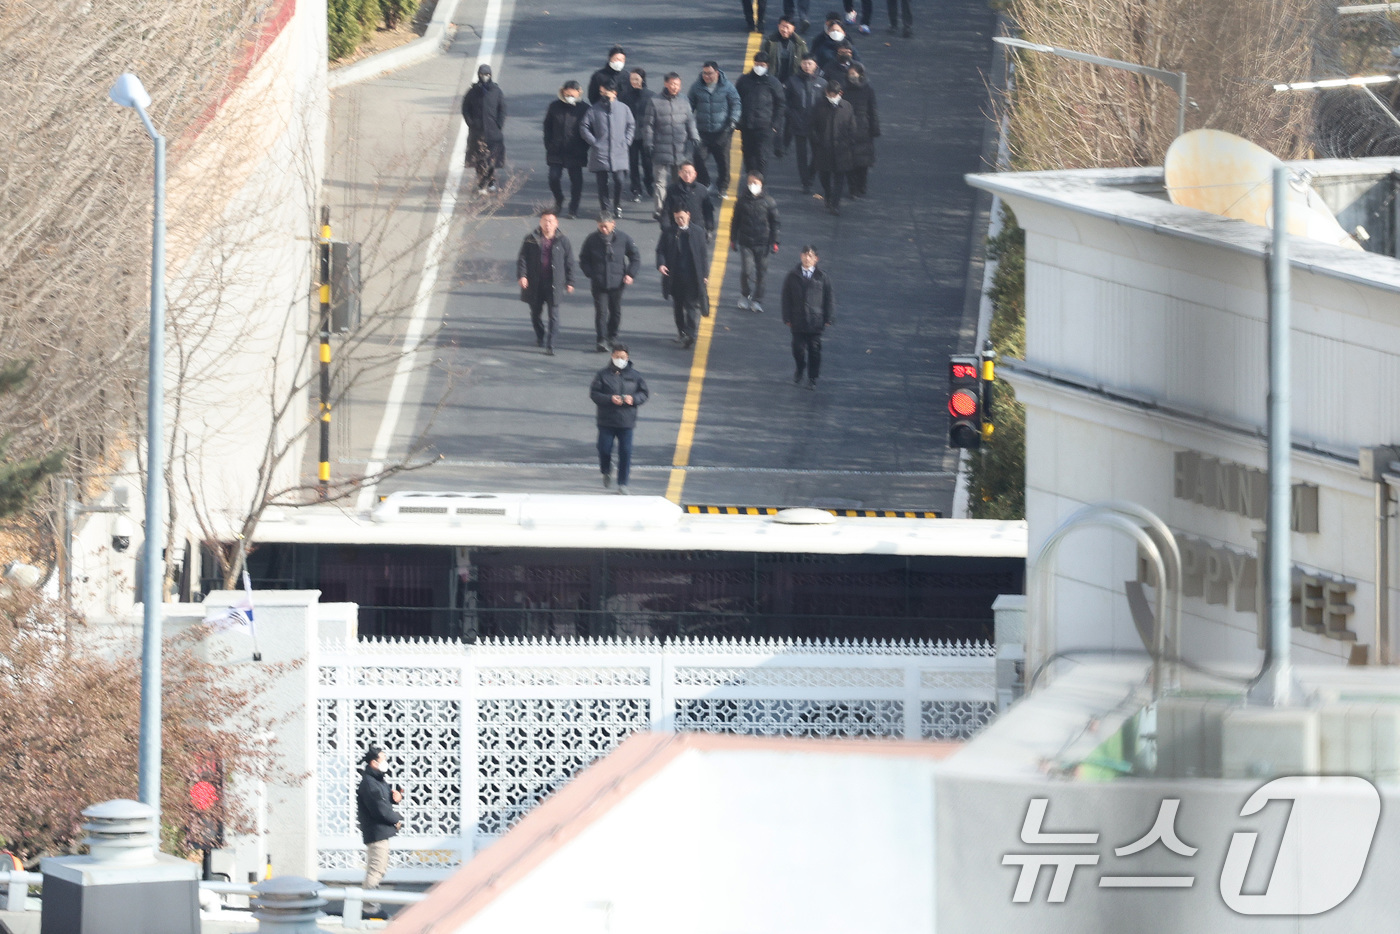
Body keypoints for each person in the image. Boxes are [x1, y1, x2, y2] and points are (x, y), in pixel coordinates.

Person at [589, 343, 649, 494]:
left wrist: (633, 399)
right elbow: (594, 394)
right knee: (604, 448)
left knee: (625, 452)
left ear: (627, 358)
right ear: (612, 356)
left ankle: (623, 484)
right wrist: (610, 399)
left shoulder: (635, 376)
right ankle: (606, 469)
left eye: (623, 357)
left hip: (626, 421)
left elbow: (644, 394)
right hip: (606, 420)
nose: (620, 359)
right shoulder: (602, 375)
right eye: (617, 357)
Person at [578, 214, 642, 351]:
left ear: (613, 224)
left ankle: (612, 336)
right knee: (601, 312)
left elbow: (635, 257)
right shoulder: (592, 240)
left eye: (605, 226)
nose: (603, 229)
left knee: (615, 311)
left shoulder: (623, 238)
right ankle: (601, 339)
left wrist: (630, 274)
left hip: (617, 282)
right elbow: (584, 259)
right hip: (599, 283)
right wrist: (590, 273)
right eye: (600, 226)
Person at [515, 208, 575, 354]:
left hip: (554, 283)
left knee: (553, 315)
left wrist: (570, 281)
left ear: (556, 223)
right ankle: (540, 336)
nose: (547, 224)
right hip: (535, 283)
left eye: (550, 221)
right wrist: (522, 276)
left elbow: (570, 262)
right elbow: (522, 259)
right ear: (540, 222)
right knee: (535, 313)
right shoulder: (531, 238)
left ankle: (551, 344)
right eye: (545, 221)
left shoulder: (563, 240)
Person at [643, 72, 699, 220]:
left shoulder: (684, 101)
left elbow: (690, 121)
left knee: (677, 182)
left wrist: (694, 136)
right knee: (660, 182)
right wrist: (648, 142)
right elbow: (648, 125)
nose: (675, 87)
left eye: (678, 84)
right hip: (660, 147)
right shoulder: (654, 101)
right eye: (672, 84)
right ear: (666, 84)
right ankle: (660, 210)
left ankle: (677, 207)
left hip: (680, 149)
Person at [356, 746, 404, 916]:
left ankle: (369, 906)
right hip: (376, 833)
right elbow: (380, 809)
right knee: (376, 870)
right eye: (383, 759)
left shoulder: (377, 780)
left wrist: (395, 797)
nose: (386, 762)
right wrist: (396, 819)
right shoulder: (370, 783)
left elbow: (385, 800)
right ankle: (369, 909)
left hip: (379, 832)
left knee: (376, 869)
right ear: (374, 762)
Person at [781, 245, 835, 389]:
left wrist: (829, 317)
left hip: (815, 321)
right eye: (805, 255)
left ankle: (812, 377)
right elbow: (786, 297)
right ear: (801, 256)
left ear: (816, 259)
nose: (807, 258)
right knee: (797, 349)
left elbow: (829, 298)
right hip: (797, 320)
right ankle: (800, 367)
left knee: (814, 350)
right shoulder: (792, 276)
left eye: (810, 256)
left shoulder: (822, 277)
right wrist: (786, 317)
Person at [580, 80, 636, 219]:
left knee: (620, 180)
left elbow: (631, 125)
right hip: (601, 152)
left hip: (619, 151)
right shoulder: (594, 109)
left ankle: (617, 205)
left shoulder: (624, 108)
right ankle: (605, 208)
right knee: (602, 183)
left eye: (606, 91)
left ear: (614, 93)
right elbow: (584, 127)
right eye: (601, 92)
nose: (603, 94)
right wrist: (594, 142)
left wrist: (627, 141)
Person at [656, 206, 710, 348]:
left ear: (688, 215)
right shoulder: (669, 232)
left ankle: (690, 334)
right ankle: (681, 332)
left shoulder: (698, 232)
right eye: (676, 218)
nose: (679, 220)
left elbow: (703, 255)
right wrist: (661, 264)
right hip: (675, 276)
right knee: (678, 306)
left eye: (682, 217)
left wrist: (705, 274)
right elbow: (660, 250)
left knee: (691, 305)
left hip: (692, 276)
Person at [688, 61, 742, 197]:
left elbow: (736, 103)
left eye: (710, 73)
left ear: (717, 73)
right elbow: (689, 106)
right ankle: (705, 183)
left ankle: (722, 187)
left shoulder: (727, 87)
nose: (707, 76)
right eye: (704, 73)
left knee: (723, 162)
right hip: (702, 131)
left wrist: (733, 120)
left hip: (722, 132)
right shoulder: (697, 87)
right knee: (698, 158)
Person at [730, 171, 780, 313]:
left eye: (756, 183)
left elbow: (775, 223)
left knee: (761, 273)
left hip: (763, 243)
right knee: (746, 270)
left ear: (761, 184)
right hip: (746, 242)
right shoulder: (741, 201)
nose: (753, 185)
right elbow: (735, 221)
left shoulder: (769, 202)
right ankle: (745, 294)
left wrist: (775, 241)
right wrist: (733, 238)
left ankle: (758, 300)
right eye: (750, 182)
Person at [734, 52, 786, 178]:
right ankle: (751, 181)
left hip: (765, 127)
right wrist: (738, 121)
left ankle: (760, 184)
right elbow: (735, 100)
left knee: (762, 156)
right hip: (747, 126)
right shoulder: (744, 80)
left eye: (762, 65)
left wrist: (775, 125)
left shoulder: (773, 83)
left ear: (767, 65)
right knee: (748, 156)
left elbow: (781, 104)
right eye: (757, 64)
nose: (759, 67)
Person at [809, 80, 856, 215]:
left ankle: (835, 204)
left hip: (841, 150)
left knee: (839, 178)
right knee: (824, 176)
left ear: (840, 93)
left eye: (834, 94)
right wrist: (817, 140)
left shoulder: (847, 107)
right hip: (824, 149)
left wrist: (849, 143)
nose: (831, 97)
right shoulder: (819, 106)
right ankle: (828, 194)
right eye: (829, 94)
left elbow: (852, 127)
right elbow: (812, 126)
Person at [543, 80, 589, 218]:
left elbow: (589, 129)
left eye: (572, 94)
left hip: (576, 151)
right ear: (563, 92)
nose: (569, 96)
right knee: (553, 178)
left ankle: (573, 208)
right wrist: (549, 145)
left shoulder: (584, 108)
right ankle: (559, 199)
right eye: (567, 93)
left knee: (576, 181)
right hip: (556, 150)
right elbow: (547, 128)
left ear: (578, 92)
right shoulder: (554, 106)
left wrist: (584, 147)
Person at [784, 55, 827, 193]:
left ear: (815, 65)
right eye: (804, 63)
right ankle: (805, 182)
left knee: (818, 154)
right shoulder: (792, 81)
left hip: (816, 126)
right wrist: (791, 115)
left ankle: (811, 173)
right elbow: (785, 102)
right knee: (801, 155)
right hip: (799, 123)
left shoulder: (823, 83)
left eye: (810, 63)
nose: (807, 66)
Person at [461, 64, 506, 194]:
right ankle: (481, 183)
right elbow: (465, 108)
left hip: (493, 132)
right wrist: (471, 123)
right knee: (479, 159)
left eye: (487, 75)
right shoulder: (473, 92)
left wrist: (498, 125)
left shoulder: (496, 91)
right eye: (482, 75)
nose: (485, 77)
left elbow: (502, 109)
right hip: (477, 132)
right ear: (479, 76)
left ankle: (491, 180)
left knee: (492, 159)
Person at [842, 62, 880, 198]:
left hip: (864, 129)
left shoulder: (868, 90)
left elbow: (873, 110)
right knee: (849, 161)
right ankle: (853, 188)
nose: (851, 76)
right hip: (848, 128)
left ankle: (861, 185)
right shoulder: (844, 90)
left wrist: (875, 129)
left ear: (860, 74)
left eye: (854, 74)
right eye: (849, 74)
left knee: (863, 162)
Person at [619, 68, 656, 202]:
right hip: (630, 136)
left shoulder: (651, 96)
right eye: (632, 79)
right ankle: (636, 189)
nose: (634, 82)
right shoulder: (624, 96)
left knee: (648, 163)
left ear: (642, 79)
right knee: (633, 163)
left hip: (646, 135)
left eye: (636, 79)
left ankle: (649, 183)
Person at [659, 161, 717, 236]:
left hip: (697, 230)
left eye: (690, 172)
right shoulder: (672, 189)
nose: (687, 175)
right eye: (685, 172)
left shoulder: (701, 190)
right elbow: (666, 210)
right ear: (680, 173)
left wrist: (709, 228)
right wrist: (666, 228)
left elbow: (708, 210)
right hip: (676, 231)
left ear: (695, 174)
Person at [761, 17, 809, 84]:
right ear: (778, 26)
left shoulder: (800, 44)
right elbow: (762, 59)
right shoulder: (770, 42)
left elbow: (806, 59)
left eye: (787, 27)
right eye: (783, 26)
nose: (785, 30)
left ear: (793, 28)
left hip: (793, 82)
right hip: (773, 79)